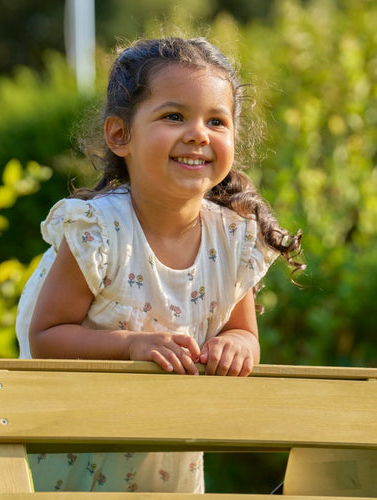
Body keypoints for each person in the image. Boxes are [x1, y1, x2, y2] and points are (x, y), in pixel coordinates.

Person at [16, 37, 303, 493]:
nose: (198, 133)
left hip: (167, 462)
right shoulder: (99, 232)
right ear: (119, 135)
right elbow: (45, 336)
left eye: (216, 121)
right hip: (73, 458)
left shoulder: (231, 239)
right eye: (174, 116)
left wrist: (237, 347)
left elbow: (242, 331)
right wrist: (131, 345)